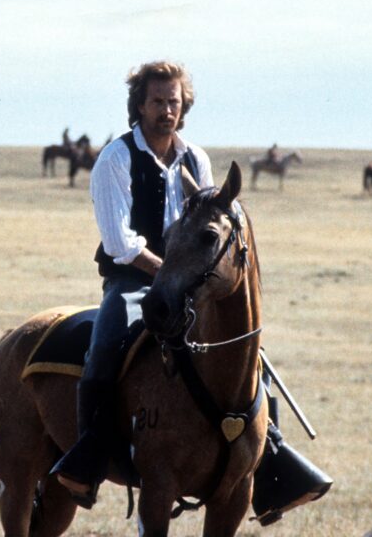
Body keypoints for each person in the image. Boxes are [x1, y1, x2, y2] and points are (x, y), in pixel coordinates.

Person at [50, 60, 331, 524]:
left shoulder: (195, 159)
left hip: (186, 281)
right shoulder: (115, 159)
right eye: (157, 101)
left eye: (173, 102)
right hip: (133, 280)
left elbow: (205, 224)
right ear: (139, 105)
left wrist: (191, 277)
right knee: (106, 345)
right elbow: (119, 241)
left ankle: (267, 456)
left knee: (245, 354)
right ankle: (89, 452)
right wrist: (168, 274)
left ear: (184, 107)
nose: (166, 110)